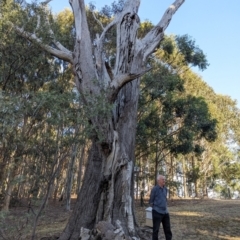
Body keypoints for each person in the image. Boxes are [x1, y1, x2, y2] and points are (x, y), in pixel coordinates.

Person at [149, 175, 172, 240]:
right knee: (156, 230)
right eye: (163, 179)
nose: (164, 181)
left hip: (165, 212)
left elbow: (165, 199)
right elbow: (151, 201)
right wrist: (155, 209)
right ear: (158, 181)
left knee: (168, 229)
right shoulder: (154, 189)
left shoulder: (165, 189)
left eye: (164, 179)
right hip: (157, 212)